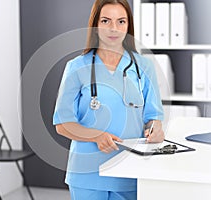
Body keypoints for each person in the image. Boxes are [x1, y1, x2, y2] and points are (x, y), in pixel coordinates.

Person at [53, 0, 164, 199]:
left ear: (128, 26)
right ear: (95, 25)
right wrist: (95, 136)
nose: (114, 28)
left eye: (121, 21)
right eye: (106, 21)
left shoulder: (144, 67)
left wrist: (156, 130)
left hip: (131, 171)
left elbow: (153, 117)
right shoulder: (76, 67)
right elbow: (62, 124)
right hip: (87, 175)